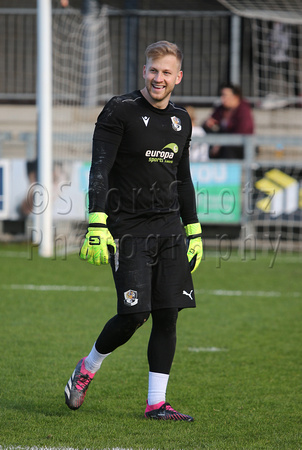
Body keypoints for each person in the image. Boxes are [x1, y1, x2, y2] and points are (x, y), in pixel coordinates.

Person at [64, 40, 203, 421]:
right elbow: (100, 168)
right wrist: (97, 221)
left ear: (178, 77)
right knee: (133, 315)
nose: (159, 78)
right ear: (145, 71)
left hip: (169, 228)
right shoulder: (120, 109)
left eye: (167, 72)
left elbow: (184, 178)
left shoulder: (182, 119)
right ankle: (87, 368)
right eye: (153, 70)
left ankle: (156, 403)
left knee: (168, 314)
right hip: (127, 229)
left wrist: (193, 229)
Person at [203, 83, 254, 159]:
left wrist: (222, 143)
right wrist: (208, 124)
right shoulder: (221, 109)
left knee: (228, 149)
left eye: (225, 95)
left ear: (235, 97)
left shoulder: (244, 110)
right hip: (223, 142)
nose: (222, 98)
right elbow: (209, 121)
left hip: (240, 145)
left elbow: (242, 131)